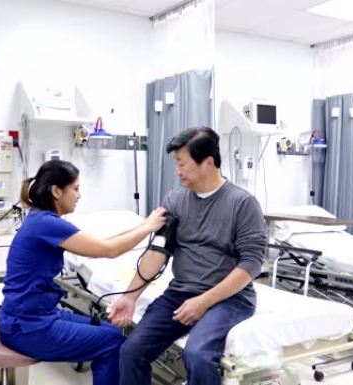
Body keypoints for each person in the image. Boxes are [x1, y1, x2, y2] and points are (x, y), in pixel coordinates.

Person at [109, 127, 267, 385]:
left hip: (230, 299)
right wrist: (129, 297)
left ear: (208, 163)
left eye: (182, 163)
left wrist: (203, 301)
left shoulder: (243, 204)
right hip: (180, 294)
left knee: (198, 355)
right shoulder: (175, 200)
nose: (177, 171)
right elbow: (158, 251)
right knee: (132, 350)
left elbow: (251, 264)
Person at [0, 160, 166, 385]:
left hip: (32, 316)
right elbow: (109, 250)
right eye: (75, 188)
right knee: (112, 342)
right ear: (56, 191)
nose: (79, 195)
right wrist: (149, 227)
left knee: (113, 334)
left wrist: (144, 224)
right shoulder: (48, 224)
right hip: (27, 327)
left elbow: (105, 242)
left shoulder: (40, 219)